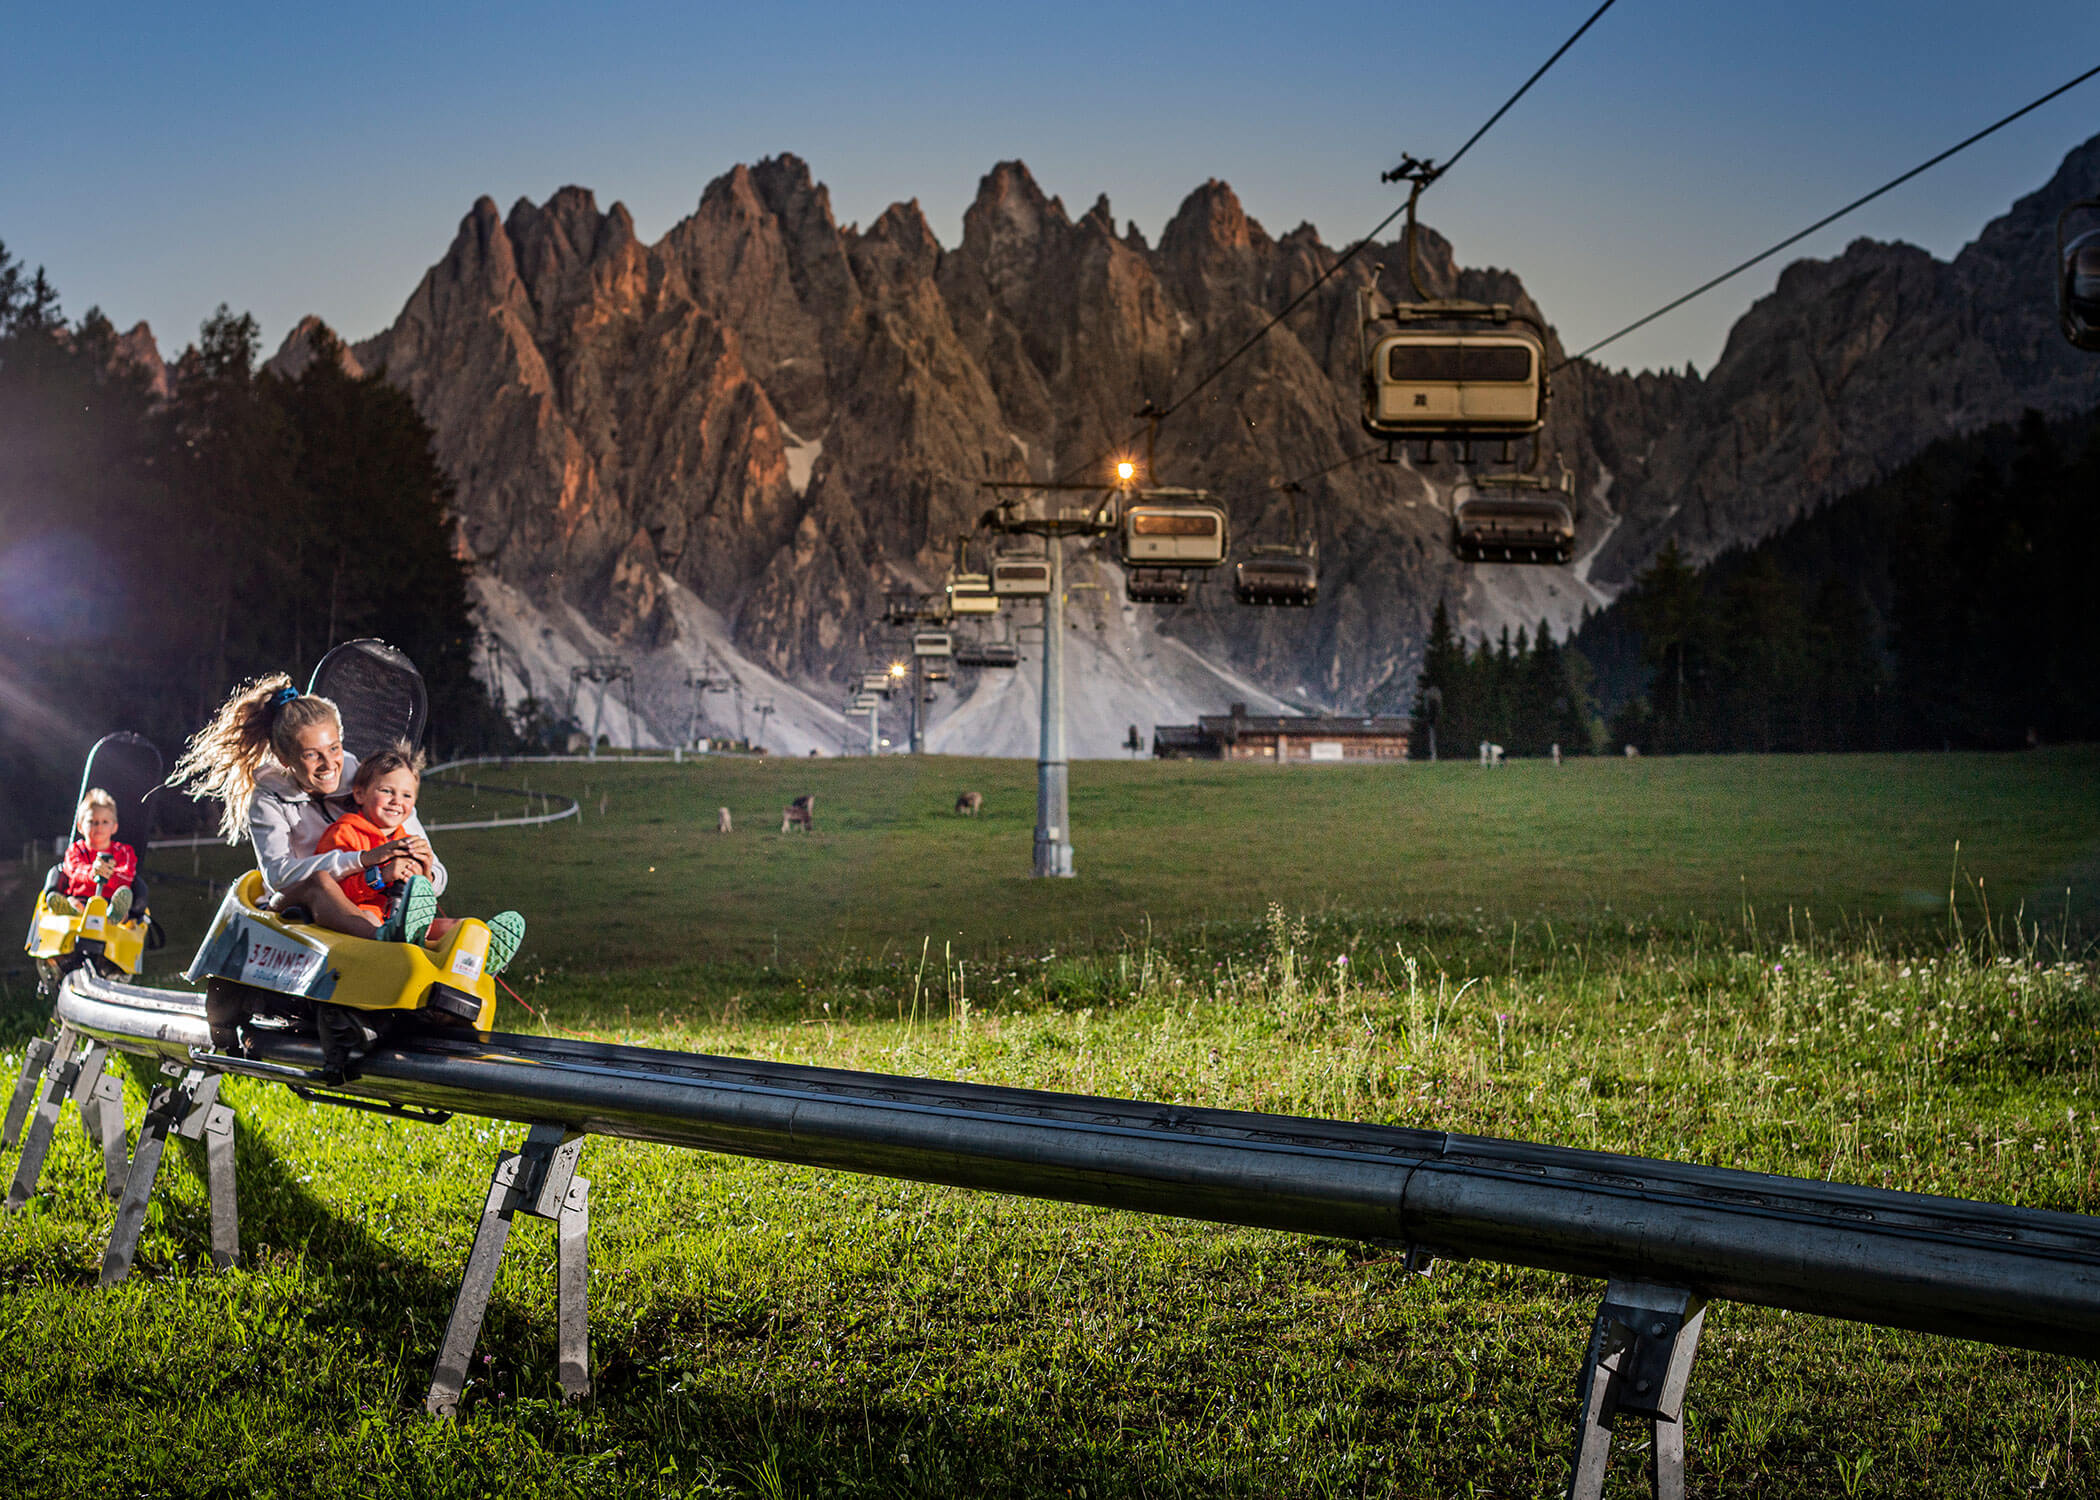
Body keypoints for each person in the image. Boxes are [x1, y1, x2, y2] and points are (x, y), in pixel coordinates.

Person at [170, 674, 440, 943]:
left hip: (364, 894)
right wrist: (364, 859)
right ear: (285, 759)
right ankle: (381, 941)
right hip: (295, 902)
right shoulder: (267, 799)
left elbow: (437, 875)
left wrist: (422, 872)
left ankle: (469, 942)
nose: (329, 764)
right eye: (312, 755)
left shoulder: (370, 784)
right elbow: (280, 876)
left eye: (334, 748)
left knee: (416, 907)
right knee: (320, 883)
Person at [315, 741, 523, 968]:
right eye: (386, 791)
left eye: (406, 795)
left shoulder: (408, 839)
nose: (397, 801)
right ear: (360, 794)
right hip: (362, 917)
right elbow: (328, 891)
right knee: (369, 919)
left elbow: (422, 901)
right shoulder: (344, 832)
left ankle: (480, 951)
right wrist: (380, 876)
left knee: (460, 926)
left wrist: (421, 877)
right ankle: (410, 942)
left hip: (401, 916)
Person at [44, 788, 147, 924]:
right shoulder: (75, 850)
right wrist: (93, 873)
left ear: (114, 827)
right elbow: (74, 870)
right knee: (72, 902)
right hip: (81, 898)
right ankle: (73, 913)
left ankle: (113, 918)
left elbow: (127, 875)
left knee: (122, 907)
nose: (99, 826)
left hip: (110, 900)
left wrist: (107, 874)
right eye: (92, 822)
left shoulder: (124, 851)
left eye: (105, 822)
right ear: (80, 827)